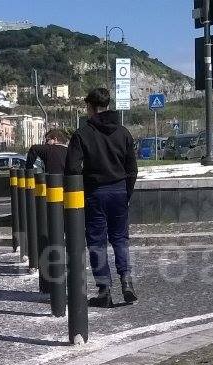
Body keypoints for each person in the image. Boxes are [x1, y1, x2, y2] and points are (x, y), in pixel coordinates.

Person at [67, 87, 138, 307]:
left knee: (97, 241)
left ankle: (104, 290)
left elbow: (71, 168)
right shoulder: (124, 132)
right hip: (119, 192)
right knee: (120, 238)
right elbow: (132, 168)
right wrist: (126, 192)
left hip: (95, 193)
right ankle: (126, 281)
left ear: (90, 107)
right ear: (107, 105)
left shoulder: (82, 134)